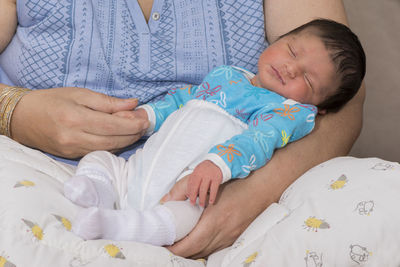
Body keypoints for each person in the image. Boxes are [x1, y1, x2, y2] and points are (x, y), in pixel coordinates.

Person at [0, 0, 365, 258]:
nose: (290, 68)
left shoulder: (287, 110)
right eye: (290, 52)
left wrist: (253, 192)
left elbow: (342, 104)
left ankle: (125, 226)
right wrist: (13, 111)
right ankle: (95, 195)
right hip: (35, 163)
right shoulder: (226, 79)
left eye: (305, 76)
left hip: (207, 189)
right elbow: (185, 99)